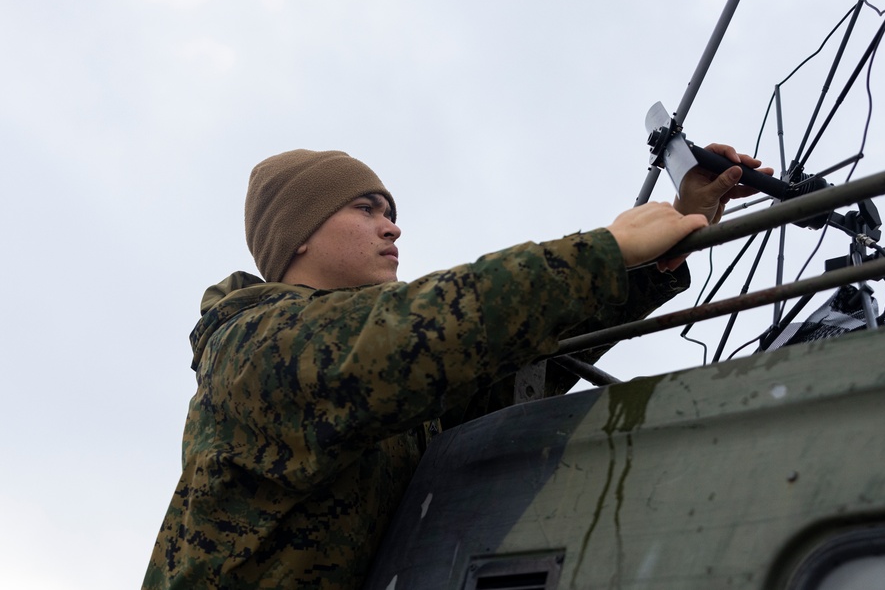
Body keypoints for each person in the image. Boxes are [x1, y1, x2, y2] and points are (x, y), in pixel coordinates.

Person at [143, 145, 769, 589]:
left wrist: (661, 249)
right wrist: (601, 253)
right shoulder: (253, 345)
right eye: (366, 208)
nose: (392, 227)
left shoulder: (387, 382)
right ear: (298, 235)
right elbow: (415, 329)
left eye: (387, 210)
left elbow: (513, 370)